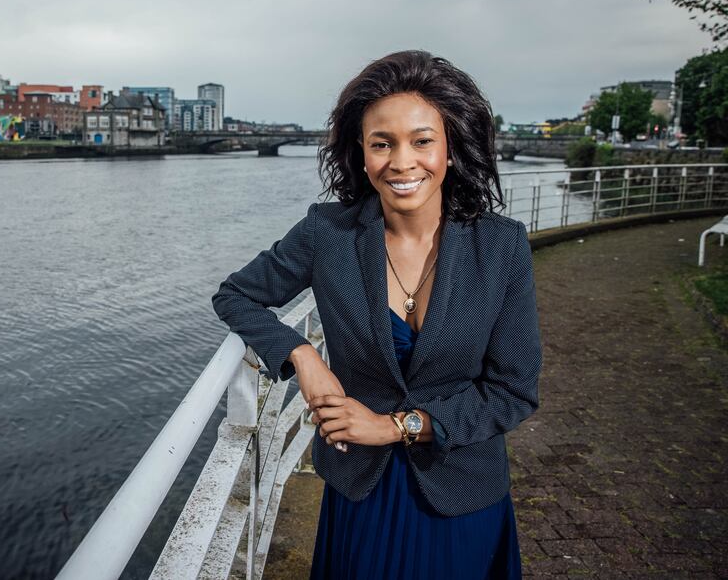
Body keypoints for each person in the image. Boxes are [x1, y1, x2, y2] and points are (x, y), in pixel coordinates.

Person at [211, 50, 542, 579]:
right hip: (360, 492)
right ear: (361, 154)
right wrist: (302, 357)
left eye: (422, 141)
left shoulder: (501, 247)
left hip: (462, 494)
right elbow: (235, 295)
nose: (402, 162)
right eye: (382, 143)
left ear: (451, 148)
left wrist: (393, 427)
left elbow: (513, 391)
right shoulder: (327, 234)